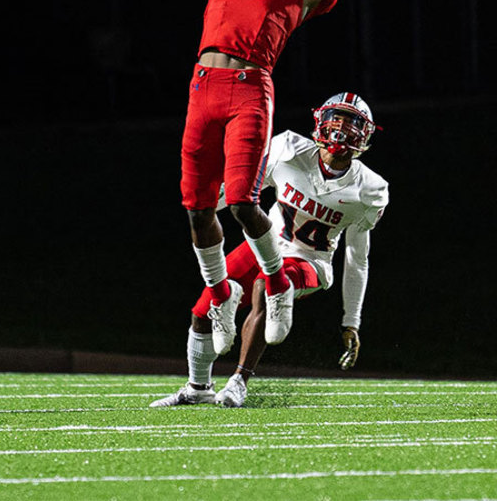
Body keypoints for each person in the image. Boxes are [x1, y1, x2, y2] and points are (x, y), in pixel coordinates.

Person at [181, 0, 390, 357]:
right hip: (203, 82)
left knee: (244, 202)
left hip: (250, 83)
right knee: (199, 209)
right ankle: (220, 297)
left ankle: (275, 289)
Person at [151, 91, 388, 407]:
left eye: (350, 122)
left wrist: (351, 320)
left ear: (365, 132)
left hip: (310, 261)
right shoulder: (289, 148)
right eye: (336, 118)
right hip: (266, 245)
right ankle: (198, 387)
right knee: (202, 310)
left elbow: (357, 257)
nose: (340, 128)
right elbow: (243, 194)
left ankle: (239, 380)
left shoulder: (370, 189)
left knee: (268, 285)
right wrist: (205, 208)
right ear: (320, 120)